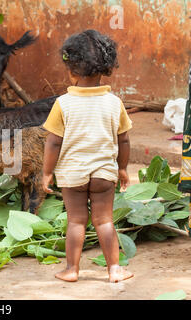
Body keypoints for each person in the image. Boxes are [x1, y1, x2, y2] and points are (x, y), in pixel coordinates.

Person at [42, 29, 134, 283]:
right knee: (104, 221)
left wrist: (47, 172)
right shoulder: (114, 103)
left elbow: (53, 143)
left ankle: (71, 269)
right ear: (105, 69)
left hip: (72, 174)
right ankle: (114, 269)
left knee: (76, 222)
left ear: (71, 71)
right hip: (105, 173)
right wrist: (122, 168)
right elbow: (123, 139)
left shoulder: (63, 104)